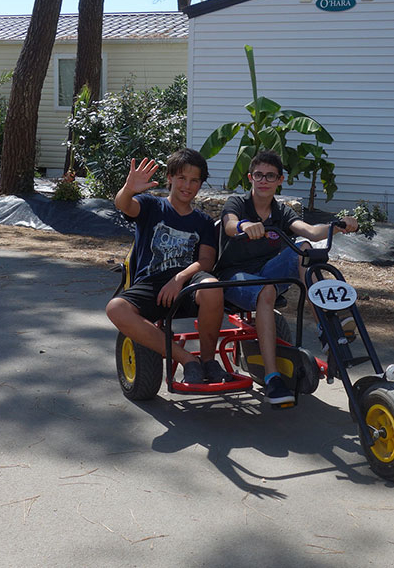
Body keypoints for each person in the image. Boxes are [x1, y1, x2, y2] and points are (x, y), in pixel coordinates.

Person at [217, 149, 358, 405]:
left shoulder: (281, 212)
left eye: (270, 176)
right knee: (267, 290)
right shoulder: (237, 203)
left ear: (280, 180)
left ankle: (326, 331)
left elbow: (312, 233)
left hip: (267, 272)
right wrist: (244, 226)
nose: (263, 181)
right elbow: (229, 224)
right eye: (258, 175)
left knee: (304, 249)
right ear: (250, 177)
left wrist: (337, 225)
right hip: (235, 277)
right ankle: (272, 377)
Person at [105, 149, 229, 385]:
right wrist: (129, 188)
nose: (187, 185)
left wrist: (179, 279)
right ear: (170, 178)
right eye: (182, 178)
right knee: (115, 308)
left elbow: (206, 262)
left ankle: (208, 361)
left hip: (187, 283)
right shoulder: (151, 206)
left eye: (194, 181)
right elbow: (124, 204)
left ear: (201, 184)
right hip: (151, 284)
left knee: (213, 286)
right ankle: (187, 360)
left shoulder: (202, 221)